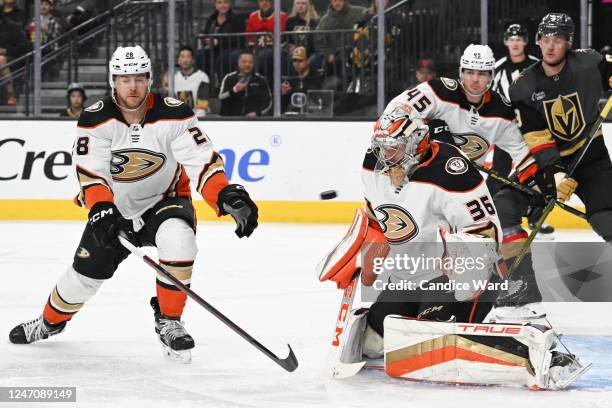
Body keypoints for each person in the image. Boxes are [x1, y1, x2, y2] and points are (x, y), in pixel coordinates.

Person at [8, 46, 259, 364]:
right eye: (125, 79)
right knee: (81, 279)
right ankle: (48, 323)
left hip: (165, 202)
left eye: (139, 78)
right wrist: (102, 207)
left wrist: (226, 195)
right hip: (114, 210)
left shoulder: (175, 113)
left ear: (150, 80)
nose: (133, 86)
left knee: (180, 241)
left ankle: (169, 320)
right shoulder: (95, 119)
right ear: (113, 81)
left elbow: (202, 162)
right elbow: (91, 173)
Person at [318, 114, 587, 389]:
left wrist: (464, 273)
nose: (385, 155)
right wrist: (363, 252)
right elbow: (378, 217)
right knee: (375, 340)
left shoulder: (452, 171)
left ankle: (539, 355)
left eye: (394, 147)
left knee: (427, 343)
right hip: (412, 277)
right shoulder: (374, 164)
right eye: (381, 146)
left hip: (462, 277)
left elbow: (485, 234)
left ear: (416, 143)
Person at [375, 44, 561, 322]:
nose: (475, 79)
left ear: (491, 76)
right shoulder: (439, 91)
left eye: (482, 73)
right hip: (420, 183)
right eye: (470, 72)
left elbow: (522, 156)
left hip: (460, 190)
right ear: (461, 72)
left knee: (493, 230)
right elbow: (395, 113)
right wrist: (425, 129)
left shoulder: (501, 111)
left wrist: (540, 189)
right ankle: (402, 300)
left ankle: (515, 298)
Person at [496, 13, 612, 307]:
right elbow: (536, 137)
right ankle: (524, 284)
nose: (550, 46)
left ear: (568, 43)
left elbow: (609, 71)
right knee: (506, 203)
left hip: (591, 157)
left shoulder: (588, 63)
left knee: (605, 218)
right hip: (549, 164)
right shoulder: (523, 85)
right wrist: (556, 174)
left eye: (557, 40)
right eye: (545, 39)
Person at [491, 23, 553, 236]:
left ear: (526, 42)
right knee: (499, 173)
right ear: (506, 42)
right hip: (505, 131)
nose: (515, 43)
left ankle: (537, 218)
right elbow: (490, 97)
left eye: (519, 39)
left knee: (538, 173)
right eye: (512, 38)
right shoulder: (497, 67)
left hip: (533, 131)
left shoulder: (538, 66)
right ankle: (495, 218)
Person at [315, 0, 366, 78]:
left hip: (355, 53)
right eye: (334, 0)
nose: (337, 3)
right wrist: (328, 54)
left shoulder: (360, 12)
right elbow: (318, 40)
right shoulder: (325, 21)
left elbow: (370, 21)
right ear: (331, 2)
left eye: (340, 0)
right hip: (336, 56)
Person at [198, 0, 246, 80]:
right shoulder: (212, 19)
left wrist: (219, 42)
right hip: (214, 49)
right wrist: (206, 40)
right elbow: (205, 34)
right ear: (215, 5)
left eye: (225, 2)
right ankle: (208, 83)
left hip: (232, 48)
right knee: (200, 56)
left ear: (230, 4)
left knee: (223, 58)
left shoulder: (236, 19)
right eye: (219, 3)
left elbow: (239, 38)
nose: (222, 5)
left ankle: (223, 84)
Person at [219, 51, 272, 116]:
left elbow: (268, 102)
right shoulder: (229, 78)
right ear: (238, 63)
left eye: (250, 62)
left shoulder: (261, 80)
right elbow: (221, 97)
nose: (247, 64)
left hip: (254, 120)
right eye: (244, 62)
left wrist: (257, 113)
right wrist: (234, 90)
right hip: (231, 120)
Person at [163, 45, 211, 118]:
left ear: (193, 60)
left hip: (198, 116)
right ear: (178, 60)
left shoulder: (202, 77)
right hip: (178, 117)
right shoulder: (173, 78)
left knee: (201, 112)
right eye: (182, 57)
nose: (185, 60)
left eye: (188, 57)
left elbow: (202, 105)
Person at [281, 46, 323, 113]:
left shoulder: (318, 80)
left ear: (308, 61)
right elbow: (281, 108)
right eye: (294, 61)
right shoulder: (290, 82)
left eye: (300, 61)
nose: (296, 64)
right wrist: (283, 94)